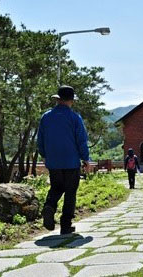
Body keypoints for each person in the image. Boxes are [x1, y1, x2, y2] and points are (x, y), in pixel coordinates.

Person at [37, 85, 89, 235]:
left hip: (54, 162)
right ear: (71, 101)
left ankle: (50, 206)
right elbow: (81, 141)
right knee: (70, 192)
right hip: (71, 162)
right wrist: (85, 159)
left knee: (56, 187)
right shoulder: (75, 118)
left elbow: (40, 140)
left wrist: (46, 155)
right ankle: (66, 225)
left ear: (58, 99)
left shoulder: (46, 117)